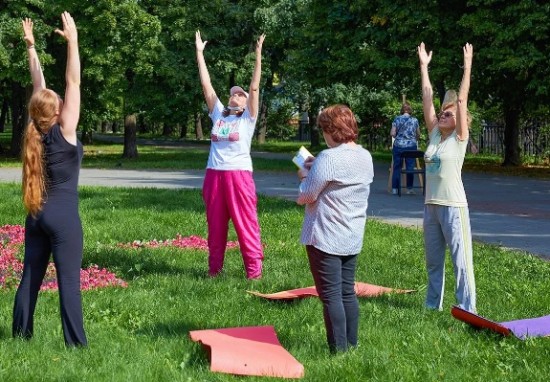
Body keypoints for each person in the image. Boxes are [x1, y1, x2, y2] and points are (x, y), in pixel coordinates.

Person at [13, 12, 87, 347]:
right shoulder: (65, 130)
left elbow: (37, 87)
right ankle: (76, 345)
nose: (59, 95)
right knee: (69, 282)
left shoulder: (35, 132)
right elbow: (73, 83)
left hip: (36, 216)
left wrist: (32, 49)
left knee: (29, 278)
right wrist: (73, 42)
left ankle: (20, 335)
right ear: (56, 112)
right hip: (62, 218)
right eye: (57, 100)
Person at [296, 104, 374, 353]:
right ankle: (352, 345)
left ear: (331, 130)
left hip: (325, 235)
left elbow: (307, 195)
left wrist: (303, 176)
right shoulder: (365, 155)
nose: (323, 134)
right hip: (351, 235)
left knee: (330, 296)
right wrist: (317, 164)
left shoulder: (329, 158)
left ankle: (338, 351)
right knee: (347, 293)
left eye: (323, 129)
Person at [195, 30, 266, 279]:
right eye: (233, 93)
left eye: (240, 94)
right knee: (215, 227)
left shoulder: (248, 118)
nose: (235, 95)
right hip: (214, 176)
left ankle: (254, 273)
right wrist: (199, 54)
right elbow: (206, 85)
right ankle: (214, 271)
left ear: (247, 103)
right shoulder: (219, 114)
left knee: (246, 225)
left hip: (238, 177)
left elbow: (255, 88)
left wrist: (258, 55)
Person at [417, 42, 476, 313]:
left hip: (453, 207)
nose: (442, 115)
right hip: (431, 206)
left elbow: (462, 101)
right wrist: (424, 67)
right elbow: (427, 99)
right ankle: (433, 306)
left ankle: (467, 309)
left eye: (448, 114)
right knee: (433, 261)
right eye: (442, 112)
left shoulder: (459, 138)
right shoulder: (434, 135)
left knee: (461, 261)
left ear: (460, 120)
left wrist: (467, 67)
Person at [390, 102, 420, 195]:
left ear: (402, 110)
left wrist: (399, 136)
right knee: (410, 167)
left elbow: (392, 133)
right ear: (410, 109)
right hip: (411, 146)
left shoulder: (397, 119)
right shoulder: (415, 120)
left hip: (398, 146)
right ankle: (409, 189)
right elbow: (418, 134)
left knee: (397, 167)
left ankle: (395, 189)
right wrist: (414, 138)